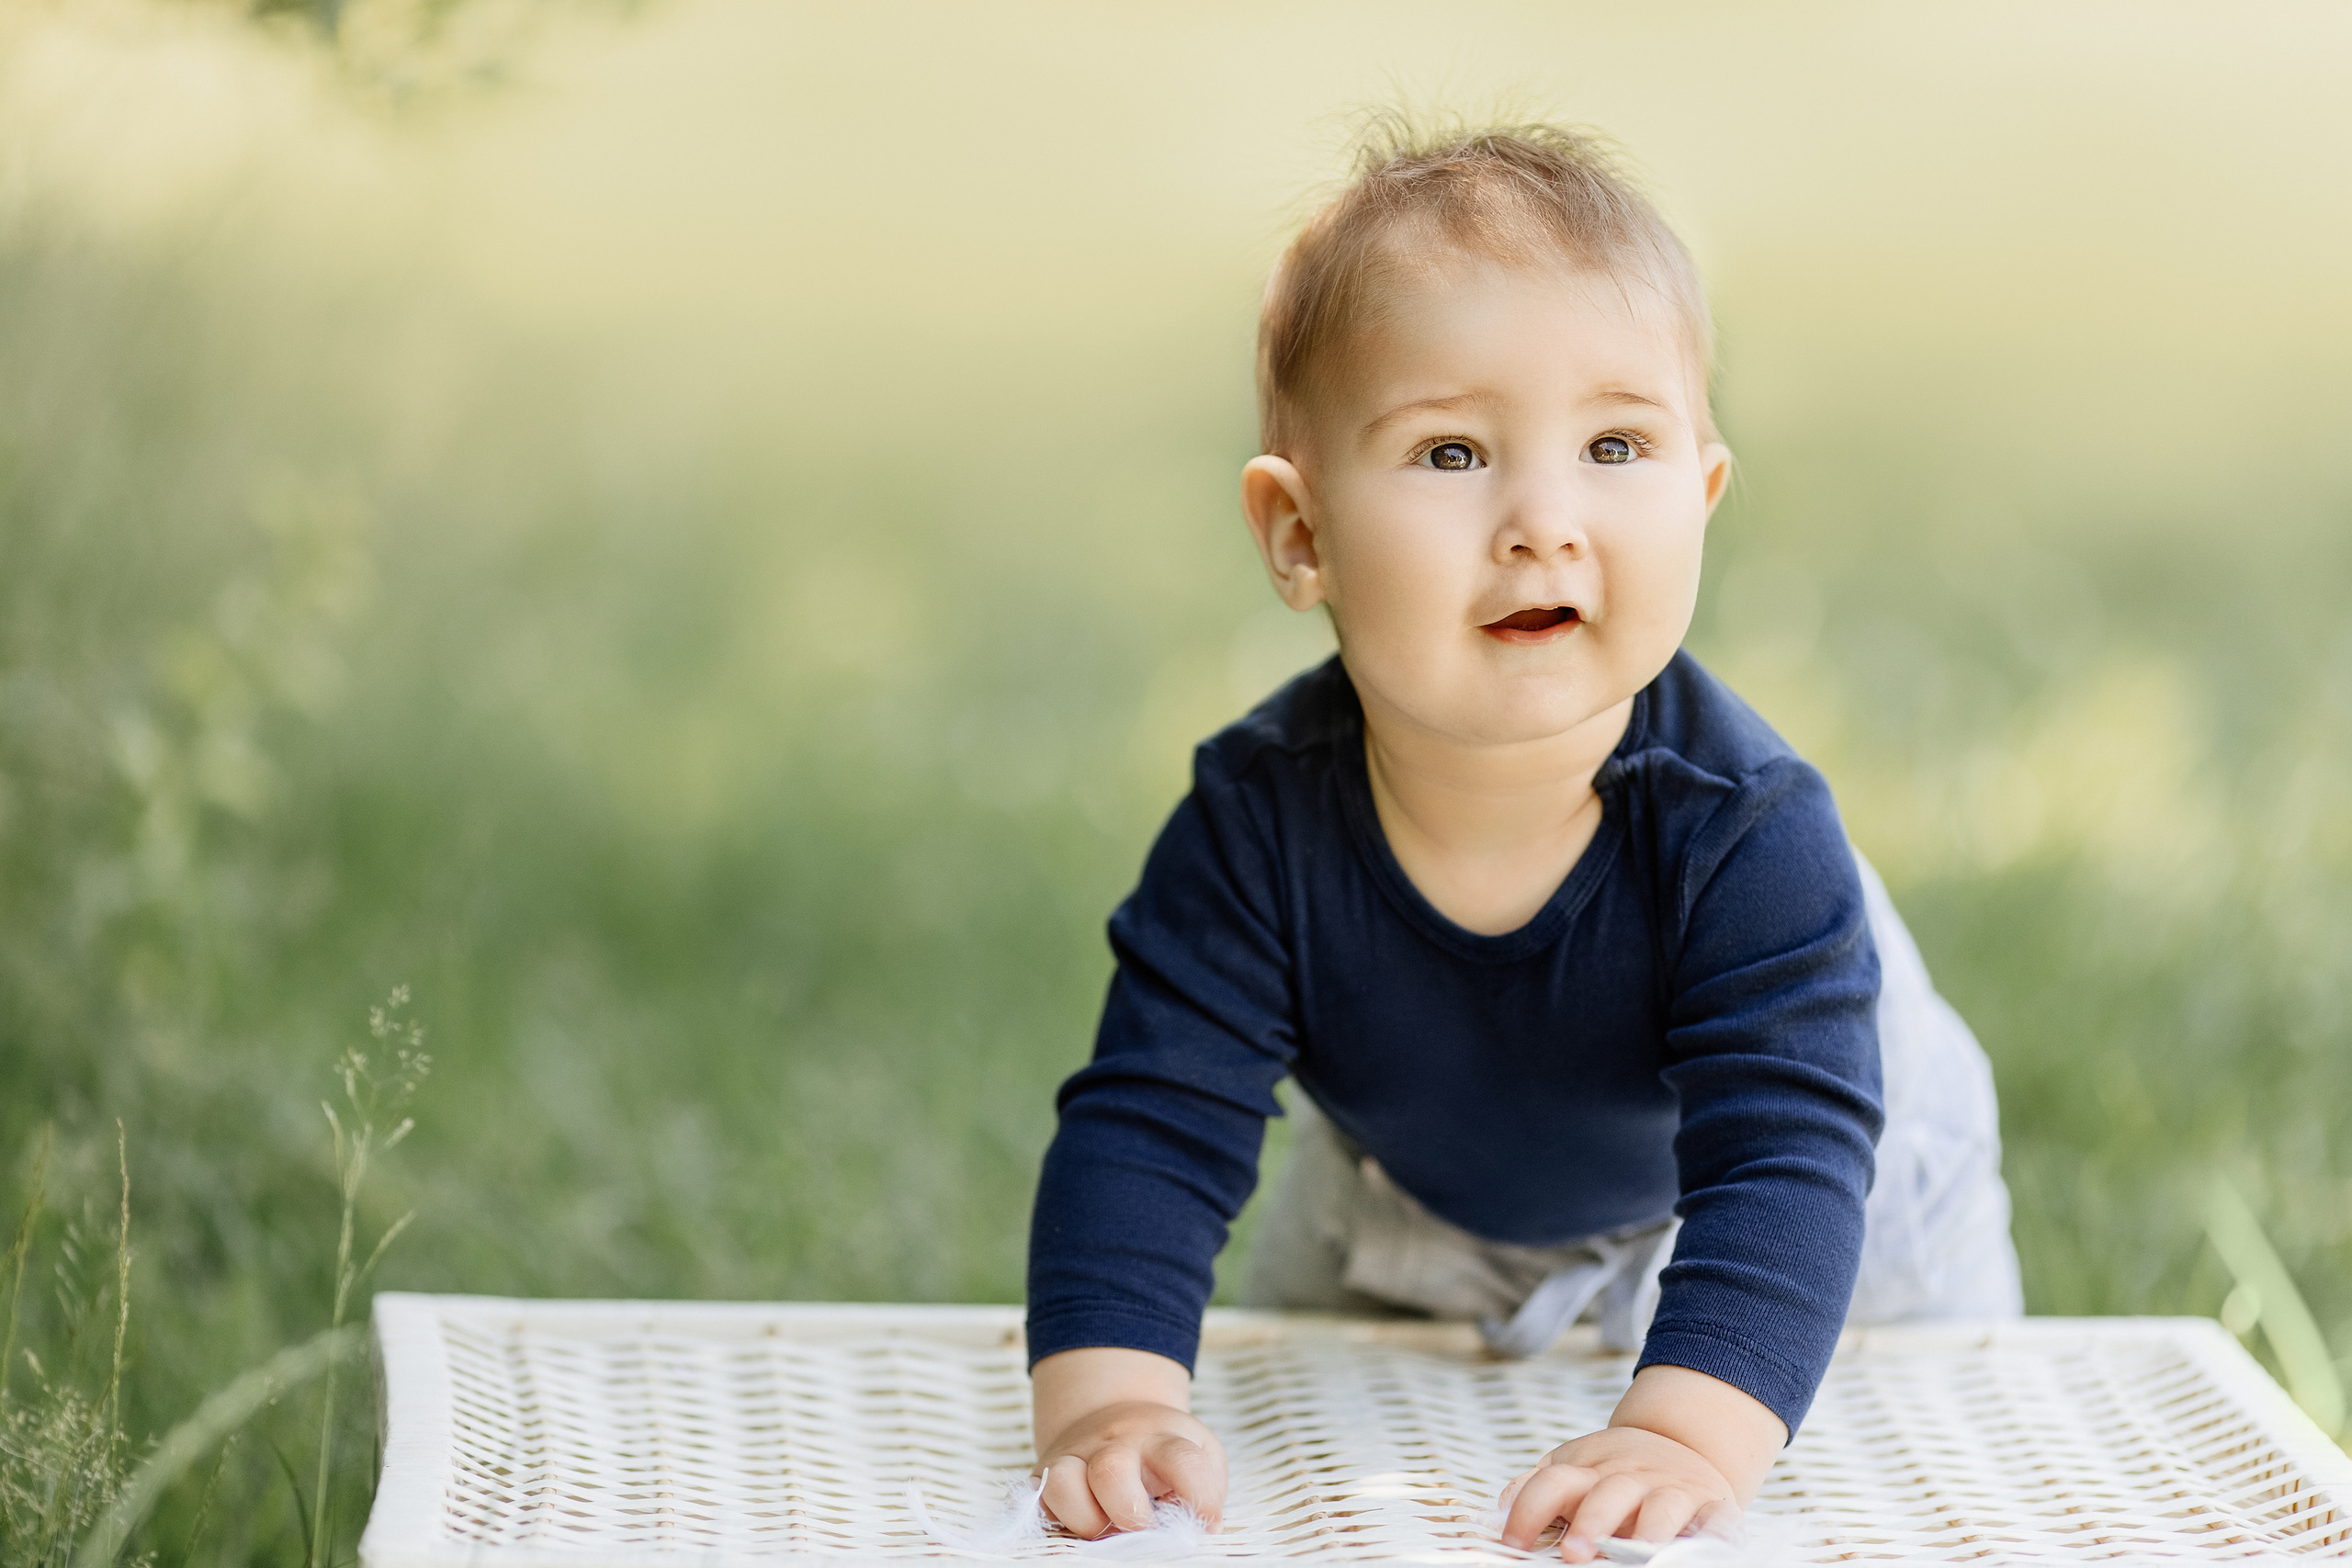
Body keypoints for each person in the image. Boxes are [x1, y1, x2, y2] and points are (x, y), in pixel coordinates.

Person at [1023, 118, 2019, 1561]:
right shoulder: (1257, 828)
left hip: (1831, 1183)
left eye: (1616, 446)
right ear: (1300, 533)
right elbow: (1153, 1126)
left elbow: (1785, 1158)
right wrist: (1109, 1407)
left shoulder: (1743, 831)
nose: (1544, 521)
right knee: (1324, 1446)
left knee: (1917, 1463)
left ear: (1701, 499)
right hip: (1421, 1183)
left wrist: (1684, 1436)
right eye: (1451, 451)